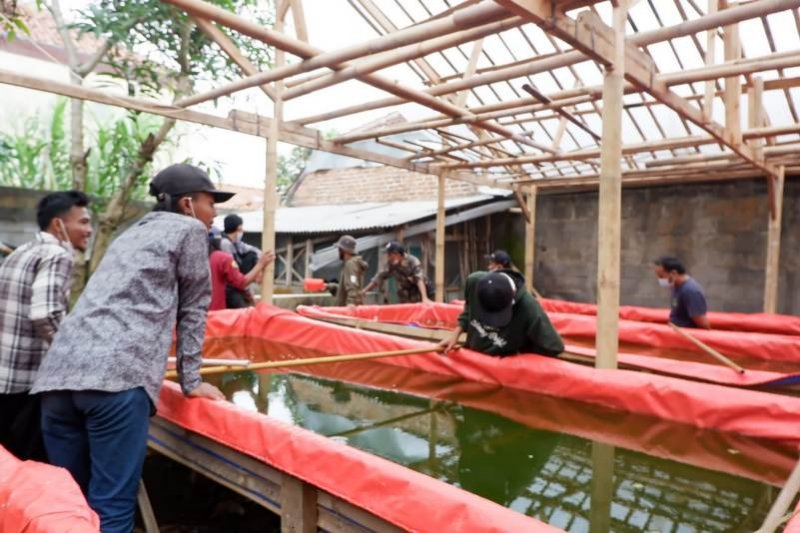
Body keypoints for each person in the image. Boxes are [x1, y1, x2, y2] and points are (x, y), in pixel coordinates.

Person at [31, 164, 229, 532]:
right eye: (210, 202)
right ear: (187, 204)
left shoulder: (129, 234)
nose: (214, 212)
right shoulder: (189, 229)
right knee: (111, 507)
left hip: (56, 380)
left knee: (70, 505)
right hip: (116, 381)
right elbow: (194, 308)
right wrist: (192, 381)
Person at [0, 191, 92, 461]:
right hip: (22, 383)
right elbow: (46, 314)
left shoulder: (24, 251)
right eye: (83, 222)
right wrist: (75, 358)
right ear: (58, 224)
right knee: (26, 463)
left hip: (5, 376)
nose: (89, 230)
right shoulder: (57, 255)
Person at [439, 270, 564, 357]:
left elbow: (554, 347)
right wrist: (456, 333)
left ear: (513, 297)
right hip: (474, 356)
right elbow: (468, 309)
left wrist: (520, 351)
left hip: (502, 364)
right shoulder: (473, 282)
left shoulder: (529, 308)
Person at [209, 229, 274, 311]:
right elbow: (241, 282)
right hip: (216, 313)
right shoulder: (222, 258)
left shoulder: (198, 257)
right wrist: (261, 264)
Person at [362, 242, 432, 304]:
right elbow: (378, 277)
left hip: (420, 293)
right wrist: (364, 291)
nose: (388, 257)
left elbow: (419, 279)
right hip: (406, 296)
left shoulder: (413, 261)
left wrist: (424, 298)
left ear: (397, 254)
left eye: (390, 255)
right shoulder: (391, 264)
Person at [654, 256, 710, 329]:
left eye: (661, 276)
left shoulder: (690, 291)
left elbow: (702, 322)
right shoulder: (676, 286)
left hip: (686, 335)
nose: (660, 280)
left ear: (673, 273)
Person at [220, 213, 262, 308]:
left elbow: (256, 251)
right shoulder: (225, 244)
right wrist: (249, 292)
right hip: (229, 288)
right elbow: (232, 274)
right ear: (237, 228)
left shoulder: (236, 243)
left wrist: (259, 268)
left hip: (238, 282)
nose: (242, 231)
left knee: (253, 255)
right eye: (241, 228)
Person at [329, 235, 368, 307]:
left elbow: (352, 284)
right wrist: (330, 287)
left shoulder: (350, 264)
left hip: (348, 309)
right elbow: (348, 285)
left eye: (339, 249)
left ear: (343, 250)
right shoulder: (351, 263)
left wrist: (351, 303)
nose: (338, 252)